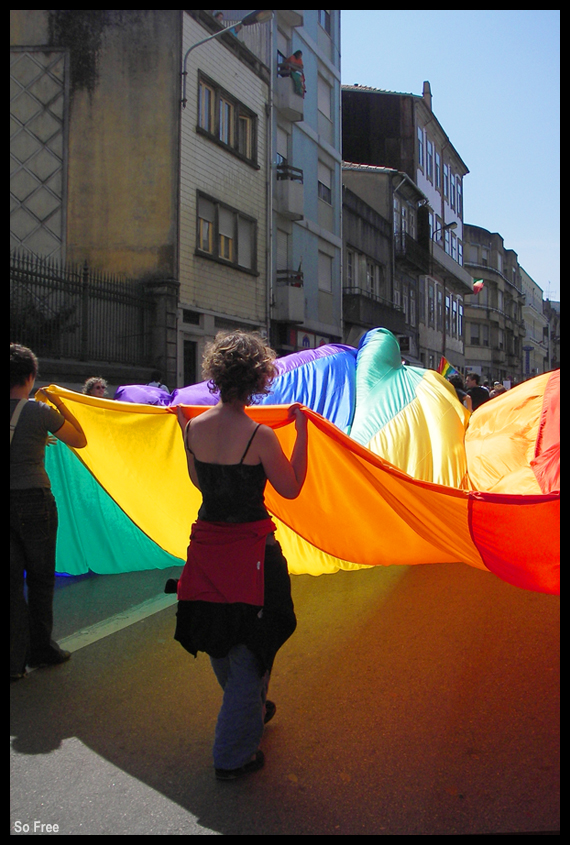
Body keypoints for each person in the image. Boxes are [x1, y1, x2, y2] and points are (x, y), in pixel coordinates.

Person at [173, 330, 307, 780]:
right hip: (252, 552)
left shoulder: (193, 427)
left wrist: (180, 427)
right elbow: (291, 488)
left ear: (215, 375)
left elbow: (199, 483)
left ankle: (248, 708)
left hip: (207, 549)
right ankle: (232, 754)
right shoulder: (260, 435)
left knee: (221, 634)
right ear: (257, 380)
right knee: (252, 645)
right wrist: (303, 432)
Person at [10, 344, 87, 680]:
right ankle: (42, 650)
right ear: (30, 376)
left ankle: (12, 664)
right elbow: (79, 438)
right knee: (40, 580)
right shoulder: (39, 411)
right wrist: (57, 403)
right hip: (33, 501)